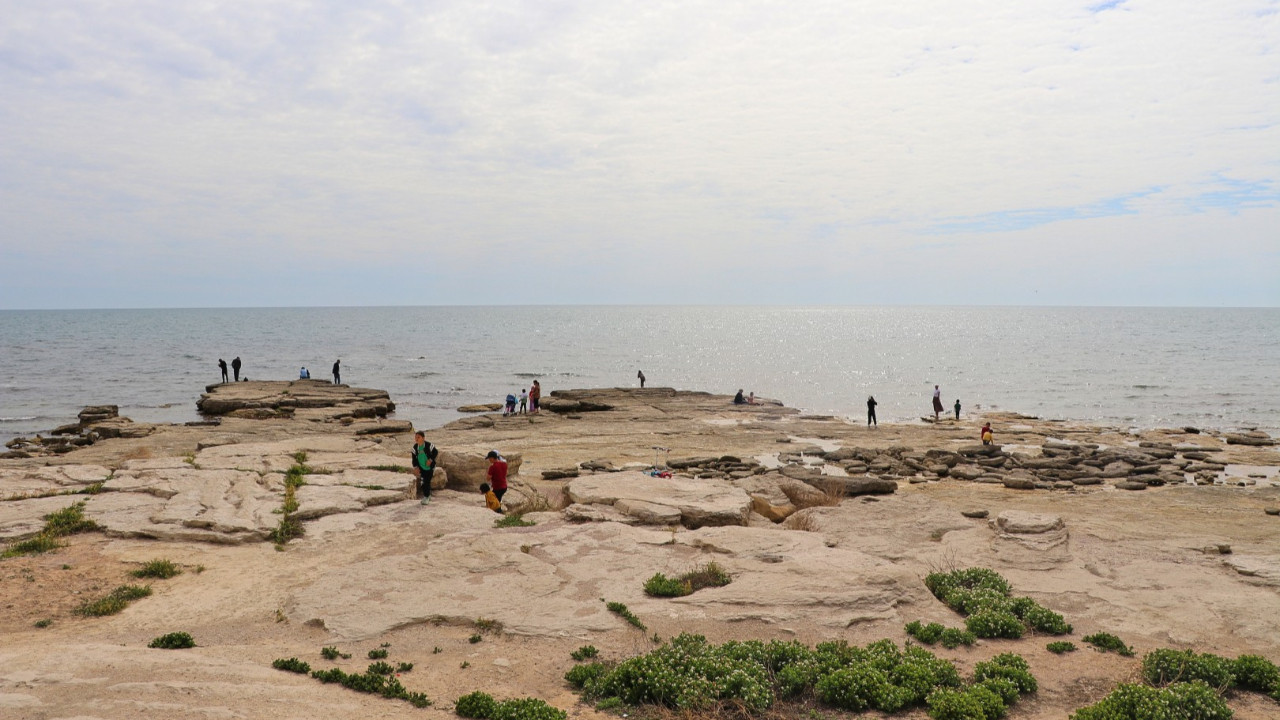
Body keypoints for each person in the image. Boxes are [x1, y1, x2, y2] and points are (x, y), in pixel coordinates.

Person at [411, 431, 439, 504]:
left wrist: (430, 460)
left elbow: (435, 452)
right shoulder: (415, 448)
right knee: (423, 483)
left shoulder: (429, 445)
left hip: (430, 468)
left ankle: (426, 497)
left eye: (418, 437)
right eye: (415, 437)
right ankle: (427, 495)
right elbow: (414, 459)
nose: (416, 439)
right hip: (421, 468)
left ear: (423, 438)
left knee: (427, 481)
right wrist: (416, 467)